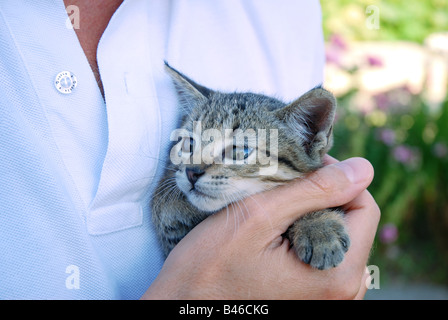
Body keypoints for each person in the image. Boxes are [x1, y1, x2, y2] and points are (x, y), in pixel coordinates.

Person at [0, 0, 380, 299]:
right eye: (191, 144)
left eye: (237, 151)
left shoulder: (285, 10)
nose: (195, 168)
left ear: (309, 135)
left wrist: (314, 220)